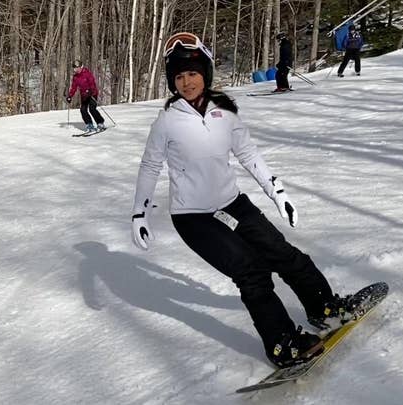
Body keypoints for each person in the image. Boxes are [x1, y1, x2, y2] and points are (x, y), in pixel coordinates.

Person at [131, 32, 364, 368]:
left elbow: (248, 154)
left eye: (193, 73)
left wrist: (277, 192)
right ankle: (282, 343)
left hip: (234, 204)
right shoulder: (166, 122)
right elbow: (150, 165)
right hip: (194, 218)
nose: (187, 82)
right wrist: (139, 213)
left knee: (284, 254)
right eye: (179, 76)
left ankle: (324, 306)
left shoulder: (225, 113)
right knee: (250, 271)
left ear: (206, 74)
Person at [66, 60, 106, 132]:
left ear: (81, 67)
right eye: (74, 68)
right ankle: (89, 125)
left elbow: (92, 83)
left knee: (92, 109)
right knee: (83, 110)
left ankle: (100, 123)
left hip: (92, 94)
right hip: (84, 95)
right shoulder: (75, 77)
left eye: (77, 68)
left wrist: (91, 91)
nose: (75, 69)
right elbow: (74, 87)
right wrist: (70, 96)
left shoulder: (87, 74)